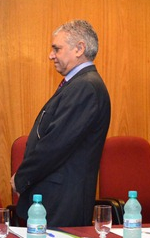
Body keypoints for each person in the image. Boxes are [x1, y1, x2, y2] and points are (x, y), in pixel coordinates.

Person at [11, 20, 111, 227]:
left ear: (79, 49)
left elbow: (55, 145)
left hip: (62, 202)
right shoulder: (79, 84)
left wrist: (22, 178)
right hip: (56, 197)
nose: (51, 55)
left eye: (57, 49)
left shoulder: (85, 87)